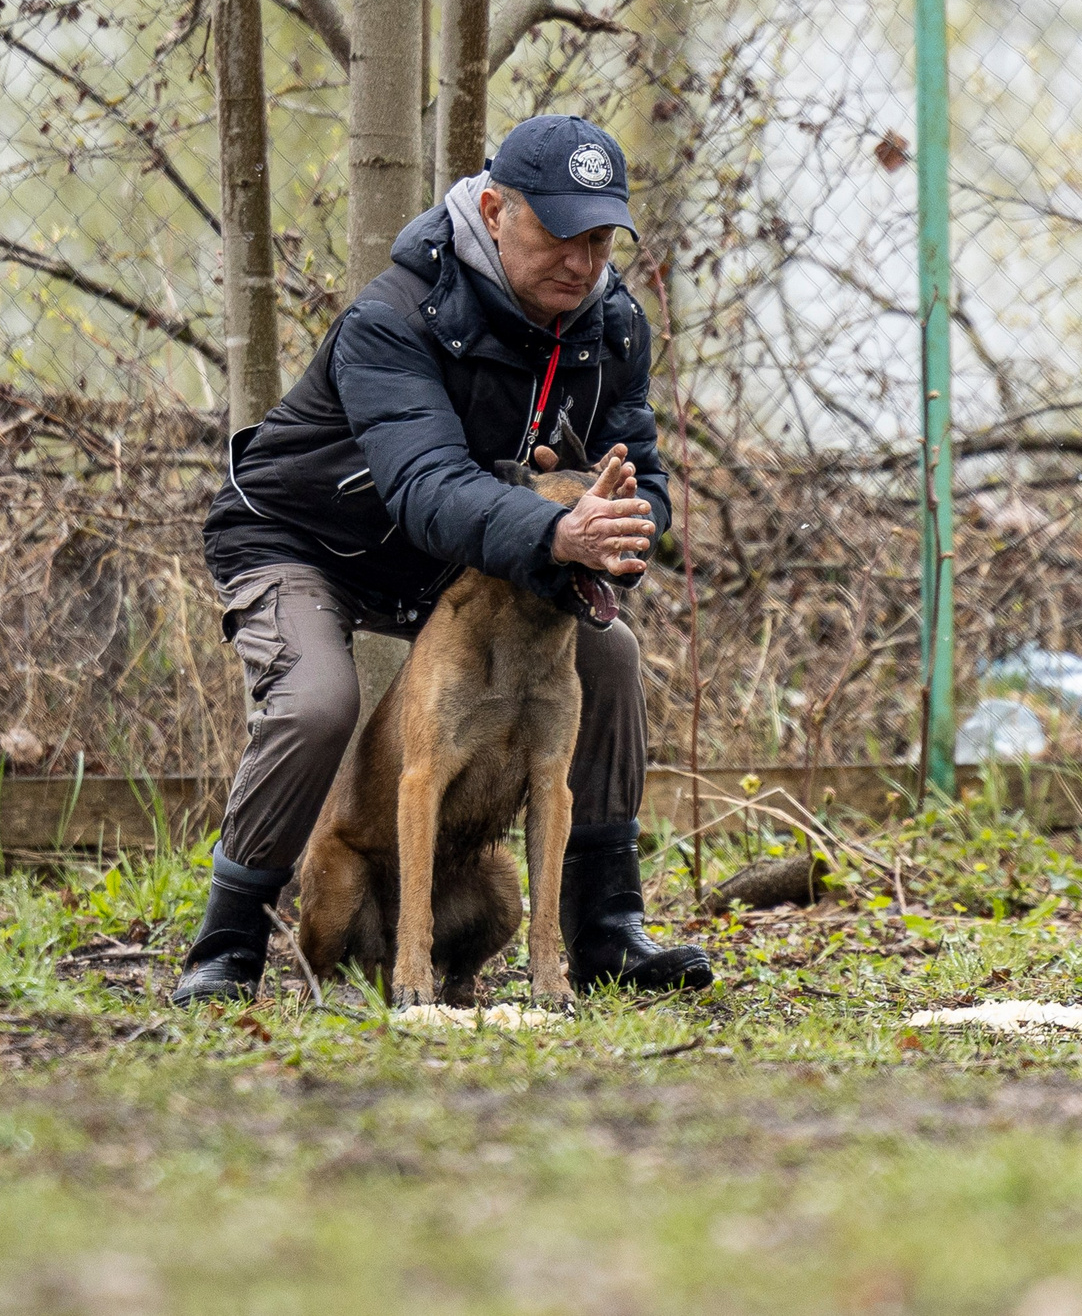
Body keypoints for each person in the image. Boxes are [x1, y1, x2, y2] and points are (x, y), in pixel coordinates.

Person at [173, 114, 717, 1004]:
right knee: (318, 702)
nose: (581, 262)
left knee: (609, 652)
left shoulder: (611, 328)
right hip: (305, 535)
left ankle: (606, 928)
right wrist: (552, 531)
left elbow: (641, 474)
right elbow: (426, 485)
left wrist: (625, 529)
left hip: (455, 556)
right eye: (558, 233)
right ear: (496, 210)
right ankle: (228, 943)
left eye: (599, 236)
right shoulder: (395, 316)